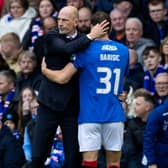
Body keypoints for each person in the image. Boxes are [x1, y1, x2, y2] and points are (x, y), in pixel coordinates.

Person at [42, 11, 129, 168]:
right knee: (115, 163)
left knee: (90, 163)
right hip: (115, 114)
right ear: (109, 29)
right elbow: (122, 80)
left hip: (90, 115)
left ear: (91, 27)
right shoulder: (124, 51)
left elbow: (63, 78)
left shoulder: (86, 51)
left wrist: (45, 71)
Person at [32, 5, 109, 168]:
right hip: (49, 105)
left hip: (72, 108)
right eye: (59, 19)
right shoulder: (52, 37)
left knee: (73, 157)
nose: (60, 23)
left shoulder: (84, 39)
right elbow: (67, 49)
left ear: (75, 22)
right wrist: (91, 36)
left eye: (65, 20)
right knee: (38, 155)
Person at [120, 88, 155, 168]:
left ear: (148, 107)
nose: (134, 107)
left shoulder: (157, 123)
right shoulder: (132, 123)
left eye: (138, 104)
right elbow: (128, 150)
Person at [142, 78, 168, 168]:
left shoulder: (158, 111)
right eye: (158, 84)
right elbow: (149, 139)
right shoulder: (157, 110)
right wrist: (151, 162)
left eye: (165, 83)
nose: (161, 86)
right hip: (160, 159)